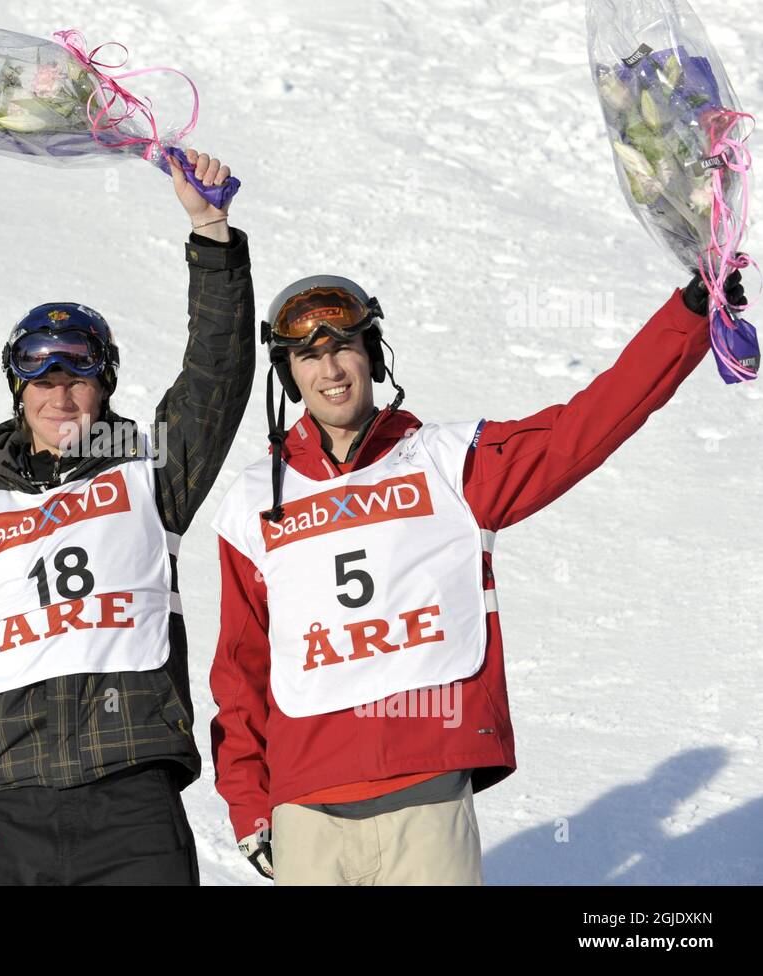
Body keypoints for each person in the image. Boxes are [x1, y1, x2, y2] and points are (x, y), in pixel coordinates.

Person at [209, 268, 748, 885]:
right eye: (309, 356)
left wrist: (687, 317)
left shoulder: (449, 462)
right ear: (288, 374)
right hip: (307, 808)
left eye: (344, 349)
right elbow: (240, 666)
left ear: (373, 356)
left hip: (427, 794)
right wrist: (251, 805)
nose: (330, 371)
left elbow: (584, 427)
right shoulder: (254, 499)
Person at [0, 149, 255, 885]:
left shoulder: (151, 479)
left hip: (132, 806)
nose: (60, 397)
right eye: (42, 379)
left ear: (104, 383)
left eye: (78, 378)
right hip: (8, 809)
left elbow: (216, 376)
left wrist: (209, 232)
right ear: (17, 388)